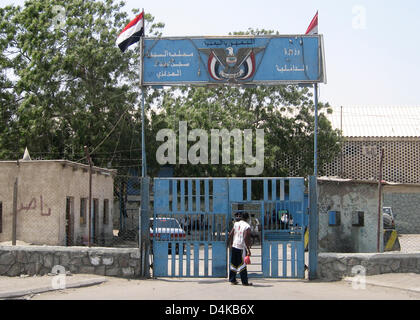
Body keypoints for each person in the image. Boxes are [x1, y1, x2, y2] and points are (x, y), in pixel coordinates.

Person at [227, 211, 253, 286]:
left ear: (241, 217)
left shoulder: (236, 223)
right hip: (241, 247)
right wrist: (248, 249)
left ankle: (232, 280)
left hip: (234, 246)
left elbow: (230, 234)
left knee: (233, 263)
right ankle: (245, 282)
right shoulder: (247, 226)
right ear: (247, 218)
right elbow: (245, 238)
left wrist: (231, 243)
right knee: (242, 264)